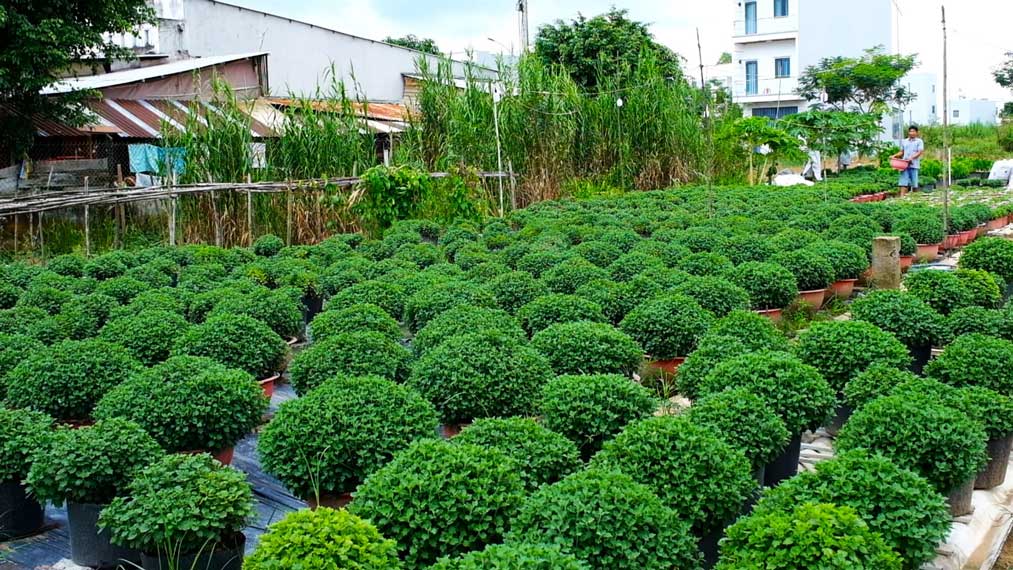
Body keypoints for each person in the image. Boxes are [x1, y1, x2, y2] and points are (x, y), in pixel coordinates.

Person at [893, 126, 925, 196]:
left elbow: (919, 152)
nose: (912, 133)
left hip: (914, 165)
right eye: (910, 131)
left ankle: (915, 198)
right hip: (904, 165)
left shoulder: (919, 141)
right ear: (908, 132)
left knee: (914, 183)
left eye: (913, 131)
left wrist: (912, 158)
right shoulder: (905, 141)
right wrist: (895, 155)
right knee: (903, 182)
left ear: (917, 133)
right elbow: (902, 152)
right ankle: (902, 198)